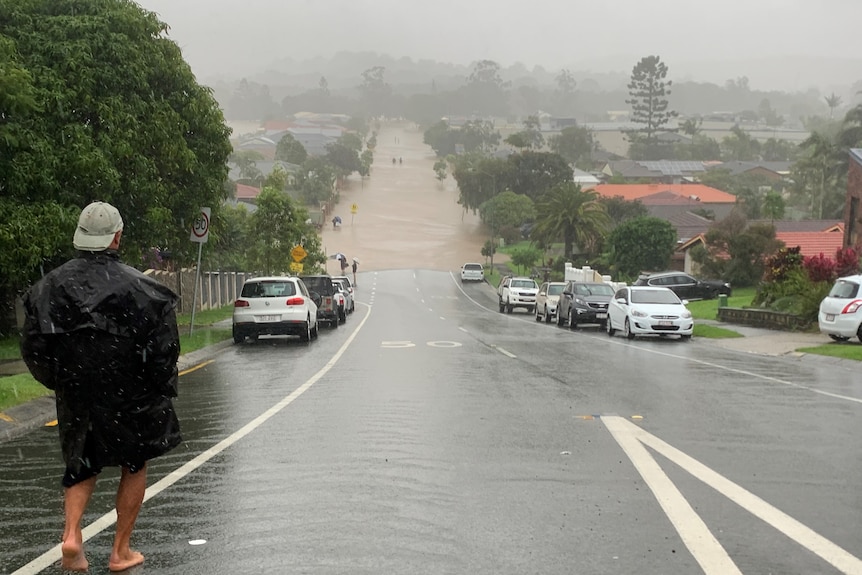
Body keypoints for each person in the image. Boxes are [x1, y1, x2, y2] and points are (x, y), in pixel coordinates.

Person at [21, 201, 182, 573]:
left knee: (81, 463)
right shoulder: (145, 290)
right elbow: (164, 350)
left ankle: (72, 536)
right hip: (131, 392)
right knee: (133, 462)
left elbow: (34, 348)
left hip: (77, 390)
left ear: (80, 237)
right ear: (117, 237)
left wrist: (61, 380)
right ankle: (120, 551)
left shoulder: (48, 288)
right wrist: (159, 385)